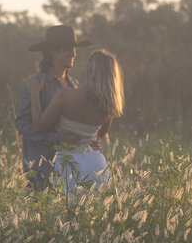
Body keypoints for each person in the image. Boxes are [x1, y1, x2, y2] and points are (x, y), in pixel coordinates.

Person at [26, 48, 123, 193]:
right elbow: (100, 135)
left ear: (90, 71)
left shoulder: (65, 96)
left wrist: (34, 94)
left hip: (68, 162)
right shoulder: (109, 105)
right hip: (96, 163)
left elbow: (39, 126)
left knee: (69, 210)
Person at [15, 25, 92, 191]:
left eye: (74, 49)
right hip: (41, 167)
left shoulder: (75, 85)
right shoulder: (35, 83)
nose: (73, 53)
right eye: (68, 49)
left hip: (71, 166)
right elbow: (22, 124)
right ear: (53, 52)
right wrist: (55, 139)